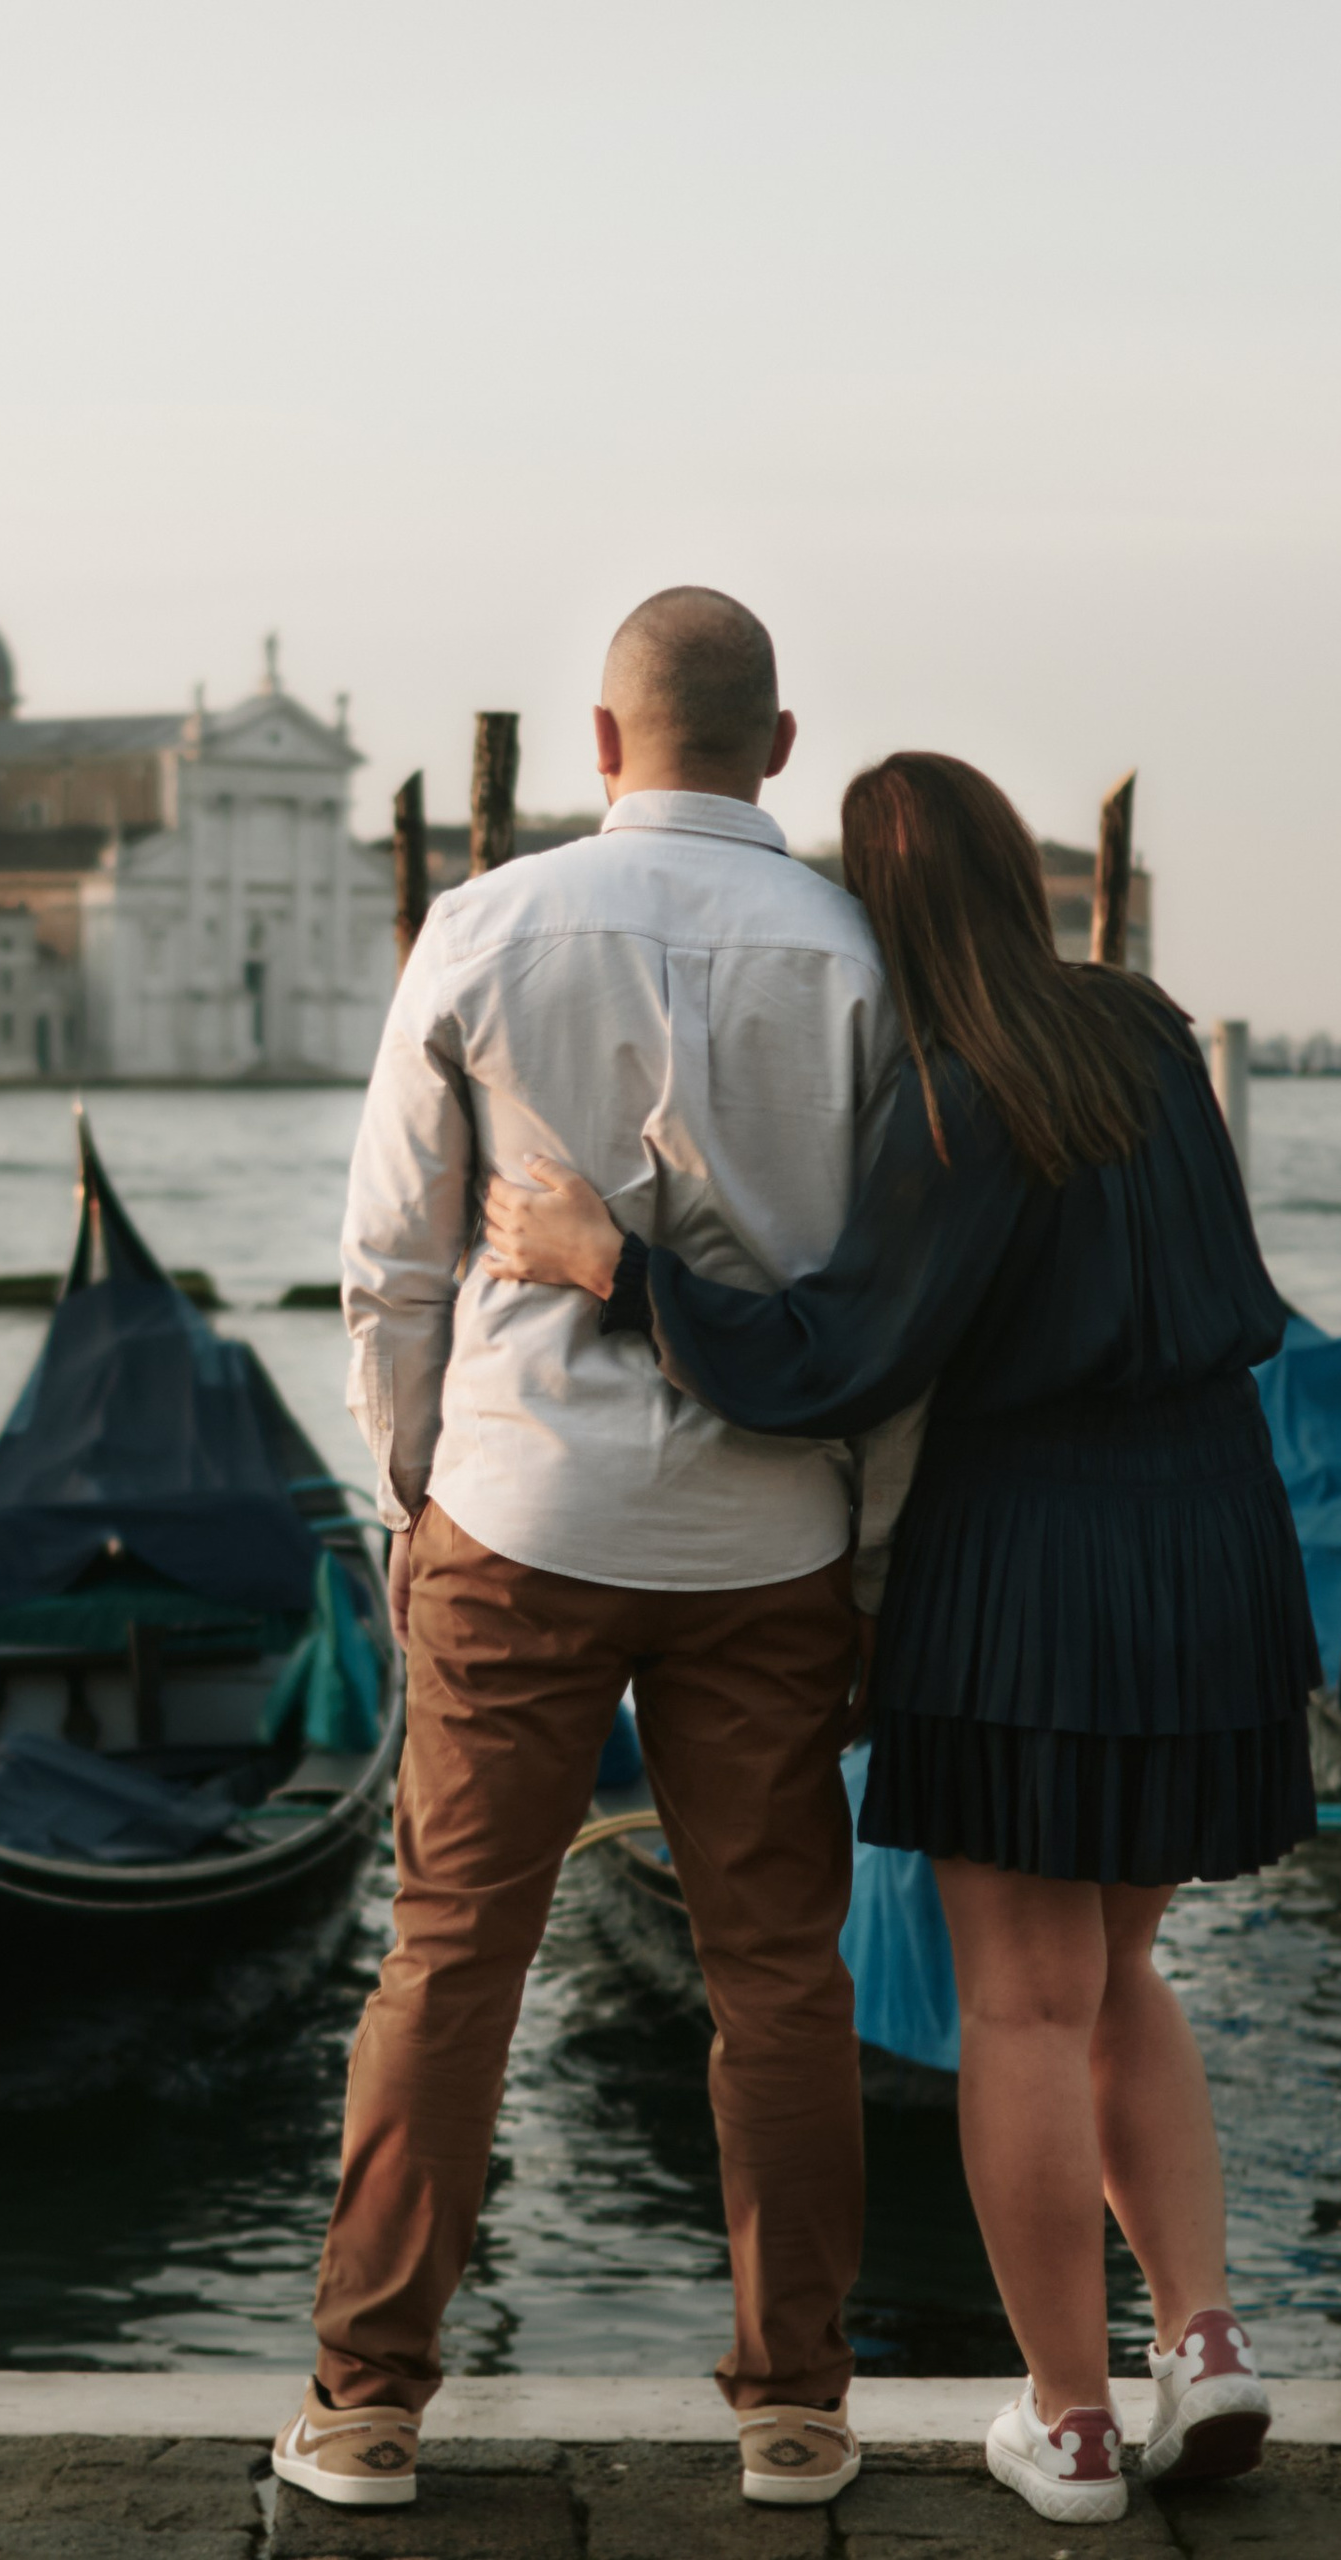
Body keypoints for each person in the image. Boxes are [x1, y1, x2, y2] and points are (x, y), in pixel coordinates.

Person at [481, 749, 1313, 2528]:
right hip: (1214, 1530)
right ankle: (1209, 2343)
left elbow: (835, 1362)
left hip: (1036, 1549)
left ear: (872, 906)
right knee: (1123, 1976)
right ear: (1026, 877)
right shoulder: (1149, 1033)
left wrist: (607, 1262)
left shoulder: (954, 1092)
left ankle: (1074, 2427)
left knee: (1020, 2001)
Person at [274, 589, 920, 2515]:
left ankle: (368, 2405)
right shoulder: (864, 959)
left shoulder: (481, 926)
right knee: (781, 1977)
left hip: (520, 1515)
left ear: (605, 740)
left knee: (453, 1958)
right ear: (780, 746)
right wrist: (872, 1557)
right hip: (771, 1536)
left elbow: (392, 1261)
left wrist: (409, 1504)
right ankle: (796, 2412)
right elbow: (890, 1331)